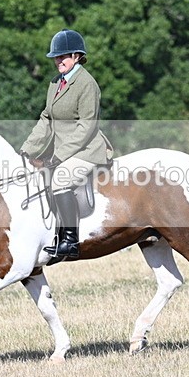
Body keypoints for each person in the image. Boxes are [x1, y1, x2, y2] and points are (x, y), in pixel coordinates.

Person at [19, 29, 112, 261]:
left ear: (77, 56)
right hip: (66, 150)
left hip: (87, 150)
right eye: (56, 57)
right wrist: (27, 149)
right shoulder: (55, 83)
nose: (58, 61)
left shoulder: (86, 84)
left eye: (63, 57)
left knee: (60, 178)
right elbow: (46, 119)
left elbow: (86, 127)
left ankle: (70, 240)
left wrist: (58, 156)